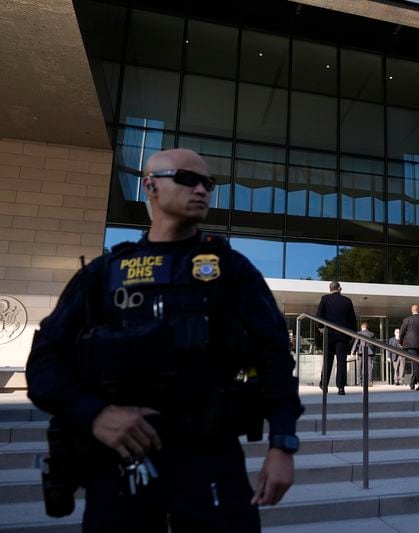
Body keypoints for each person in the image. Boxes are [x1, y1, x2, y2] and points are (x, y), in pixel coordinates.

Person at [25, 148, 303, 532]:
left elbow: (274, 357)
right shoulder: (105, 274)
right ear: (150, 186)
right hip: (121, 462)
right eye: (188, 179)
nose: (202, 189)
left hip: (211, 460)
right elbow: (45, 362)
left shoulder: (230, 270)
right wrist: (94, 413)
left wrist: (283, 444)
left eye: (208, 182)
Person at [316, 281, 358, 396]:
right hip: (342, 335)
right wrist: (352, 334)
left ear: (330, 289)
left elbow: (319, 315)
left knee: (327, 360)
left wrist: (320, 328)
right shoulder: (347, 301)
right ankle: (341, 388)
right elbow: (352, 319)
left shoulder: (324, 299)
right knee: (341, 362)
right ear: (340, 288)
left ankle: (324, 385)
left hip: (328, 334)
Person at [399, 304, 419, 391]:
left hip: (410, 345)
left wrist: (401, 342)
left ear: (412, 311)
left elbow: (401, 333)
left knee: (416, 365)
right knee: (416, 364)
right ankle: (415, 383)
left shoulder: (407, 320)